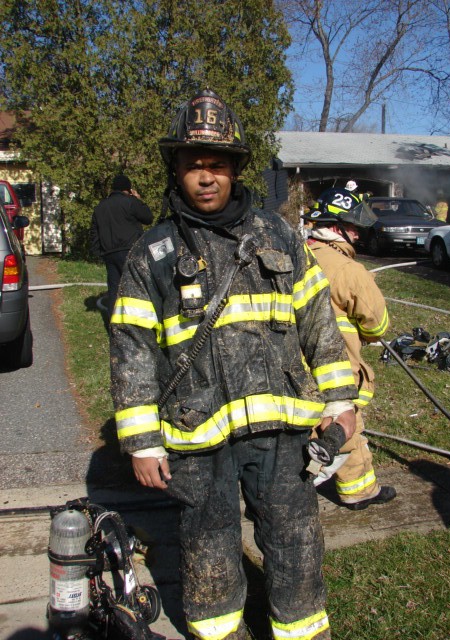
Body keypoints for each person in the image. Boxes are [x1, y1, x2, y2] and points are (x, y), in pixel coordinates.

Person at [109, 89, 359, 640]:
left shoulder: (279, 237)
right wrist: (143, 442)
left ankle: (302, 631)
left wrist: (341, 404)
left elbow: (320, 324)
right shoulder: (152, 253)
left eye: (216, 165)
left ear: (235, 169)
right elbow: (131, 349)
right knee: (208, 543)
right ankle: (219, 633)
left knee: (295, 539)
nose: (205, 177)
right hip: (199, 435)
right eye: (193, 164)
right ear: (175, 169)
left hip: (284, 431)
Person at [302, 200, 396, 510]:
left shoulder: (293, 256)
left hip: (291, 366)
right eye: (352, 227)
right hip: (336, 367)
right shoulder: (348, 270)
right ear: (336, 228)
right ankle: (358, 491)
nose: (356, 234)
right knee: (344, 423)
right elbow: (377, 325)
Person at [90, 174, 153, 318]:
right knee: (135, 286)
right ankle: (135, 323)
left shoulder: (100, 207)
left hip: (109, 253)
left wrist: (99, 253)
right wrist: (138, 200)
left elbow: (94, 233)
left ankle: (115, 325)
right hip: (130, 250)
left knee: (114, 290)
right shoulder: (130, 202)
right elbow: (148, 218)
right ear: (128, 189)